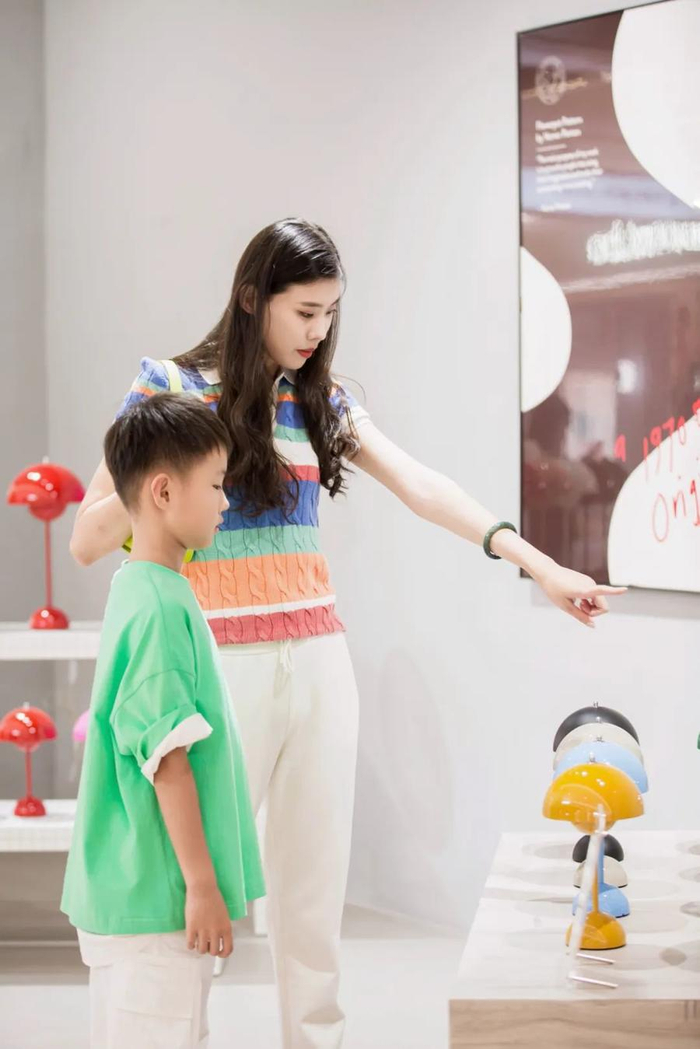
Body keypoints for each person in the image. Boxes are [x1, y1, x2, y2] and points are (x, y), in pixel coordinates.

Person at [69, 217, 626, 1049]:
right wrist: (186, 440)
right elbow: (87, 538)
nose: (317, 331)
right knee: (197, 889)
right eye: (304, 311)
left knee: (313, 901)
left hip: (319, 662)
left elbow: (421, 484)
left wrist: (539, 565)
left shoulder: (319, 399)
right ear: (252, 298)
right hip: (219, 666)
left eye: (330, 312)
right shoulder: (171, 385)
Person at [61, 393, 265, 1049]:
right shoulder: (158, 609)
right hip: (159, 898)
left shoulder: (143, 585)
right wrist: (202, 886)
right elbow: (167, 760)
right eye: (216, 484)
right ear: (163, 491)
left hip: (142, 894)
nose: (225, 502)